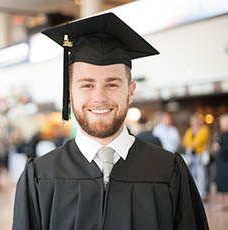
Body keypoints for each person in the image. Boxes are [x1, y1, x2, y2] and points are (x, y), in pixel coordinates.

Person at [13, 13, 209, 230]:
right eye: (87, 85)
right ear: (70, 94)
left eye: (112, 84)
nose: (99, 97)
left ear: (131, 91)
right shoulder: (40, 176)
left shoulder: (168, 171)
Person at [183, 113, 210, 201]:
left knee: (202, 174)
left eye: (195, 121)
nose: (194, 123)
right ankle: (194, 193)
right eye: (192, 121)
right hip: (191, 155)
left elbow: (200, 140)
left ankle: (203, 194)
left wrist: (192, 144)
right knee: (192, 174)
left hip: (200, 155)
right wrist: (192, 144)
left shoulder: (204, 129)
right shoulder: (189, 131)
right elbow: (185, 142)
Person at [213, 114, 228, 210]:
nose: (221, 124)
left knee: (224, 182)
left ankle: (223, 204)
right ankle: (222, 203)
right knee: (222, 183)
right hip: (222, 163)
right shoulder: (222, 135)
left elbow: (224, 149)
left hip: (225, 162)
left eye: (222, 122)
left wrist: (218, 147)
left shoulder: (225, 135)